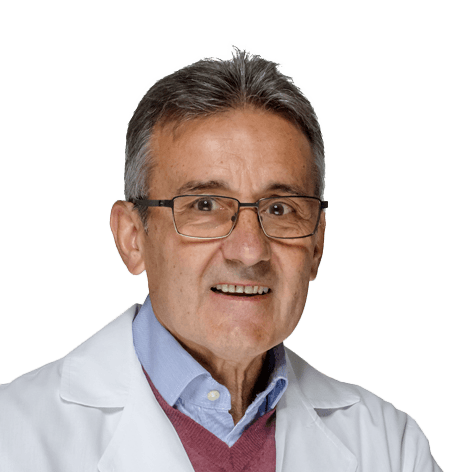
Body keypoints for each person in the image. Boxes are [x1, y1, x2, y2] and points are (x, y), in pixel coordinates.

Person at [0, 44, 442, 471]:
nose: (249, 250)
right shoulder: (14, 437)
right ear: (132, 238)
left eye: (279, 209)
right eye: (205, 205)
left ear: (317, 245)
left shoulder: (389, 447)